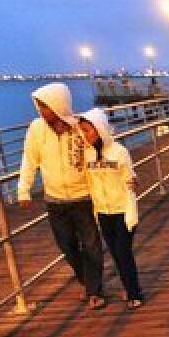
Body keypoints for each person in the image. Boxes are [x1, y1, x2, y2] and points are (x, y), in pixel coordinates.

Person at [18, 83, 105, 309]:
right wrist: (23, 189)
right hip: (55, 200)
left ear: (58, 105)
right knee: (67, 246)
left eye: (45, 106)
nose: (40, 111)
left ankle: (95, 290)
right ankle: (87, 281)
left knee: (92, 244)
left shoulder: (80, 127)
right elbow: (29, 160)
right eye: (39, 106)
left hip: (83, 197)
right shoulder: (36, 129)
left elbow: (101, 149)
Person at [78, 108, 144, 309]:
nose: (86, 135)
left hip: (122, 210)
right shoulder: (87, 155)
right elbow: (88, 182)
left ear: (100, 129)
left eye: (89, 130)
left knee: (123, 252)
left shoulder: (119, 151)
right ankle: (129, 287)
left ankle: (135, 293)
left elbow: (130, 180)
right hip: (103, 213)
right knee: (116, 253)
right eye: (83, 131)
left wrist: (131, 211)